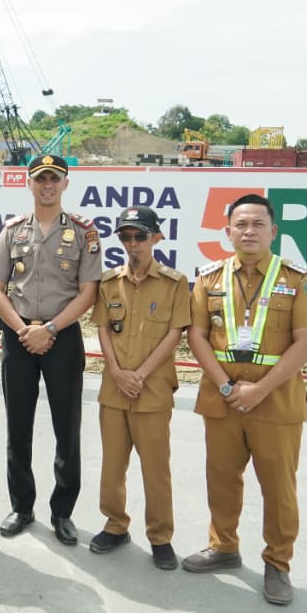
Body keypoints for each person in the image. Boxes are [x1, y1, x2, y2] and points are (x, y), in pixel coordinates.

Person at [183, 193, 307, 606]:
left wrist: (259, 389)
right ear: (227, 232)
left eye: (257, 224)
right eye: (240, 225)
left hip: (275, 403)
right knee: (222, 481)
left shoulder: (298, 279)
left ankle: (278, 563)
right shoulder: (208, 279)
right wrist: (227, 386)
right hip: (222, 400)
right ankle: (223, 546)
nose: (248, 231)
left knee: (278, 488)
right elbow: (196, 336)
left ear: (273, 231)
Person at [0, 154, 101, 545]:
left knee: (67, 429)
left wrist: (48, 328)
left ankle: (62, 512)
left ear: (65, 184)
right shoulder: (12, 231)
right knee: (19, 426)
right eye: (40, 179)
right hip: (19, 337)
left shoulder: (84, 233)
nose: (47, 185)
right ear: (28, 184)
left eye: (54, 179)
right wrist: (23, 329)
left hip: (62, 337)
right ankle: (22, 506)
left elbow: (88, 293)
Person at [90, 205, 189, 569]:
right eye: (126, 237)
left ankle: (160, 536)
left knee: (155, 468)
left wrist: (140, 375)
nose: (133, 244)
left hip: (152, 390)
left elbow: (175, 333)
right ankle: (115, 524)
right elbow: (102, 326)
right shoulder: (108, 282)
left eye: (140, 236)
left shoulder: (175, 284)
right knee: (112, 466)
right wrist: (116, 371)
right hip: (114, 389)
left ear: (156, 238)